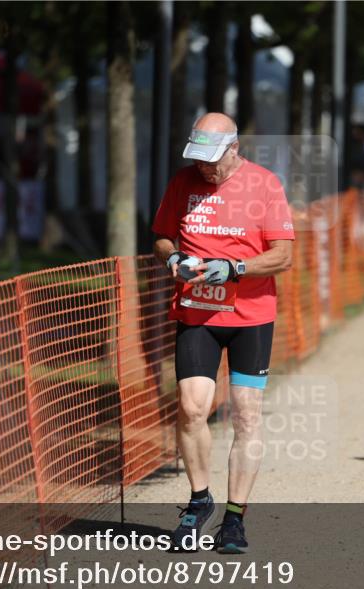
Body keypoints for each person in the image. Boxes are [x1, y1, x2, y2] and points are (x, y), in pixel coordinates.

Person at [152, 112, 294, 553]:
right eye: (198, 160)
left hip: (251, 316)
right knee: (192, 408)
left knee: (246, 416)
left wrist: (235, 268)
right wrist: (173, 260)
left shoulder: (265, 185)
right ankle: (199, 502)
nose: (204, 169)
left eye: (211, 160)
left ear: (234, 148)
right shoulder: (183, 182)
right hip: (197, 313)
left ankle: (235, 519)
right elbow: (161, 236)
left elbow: (283, 255)